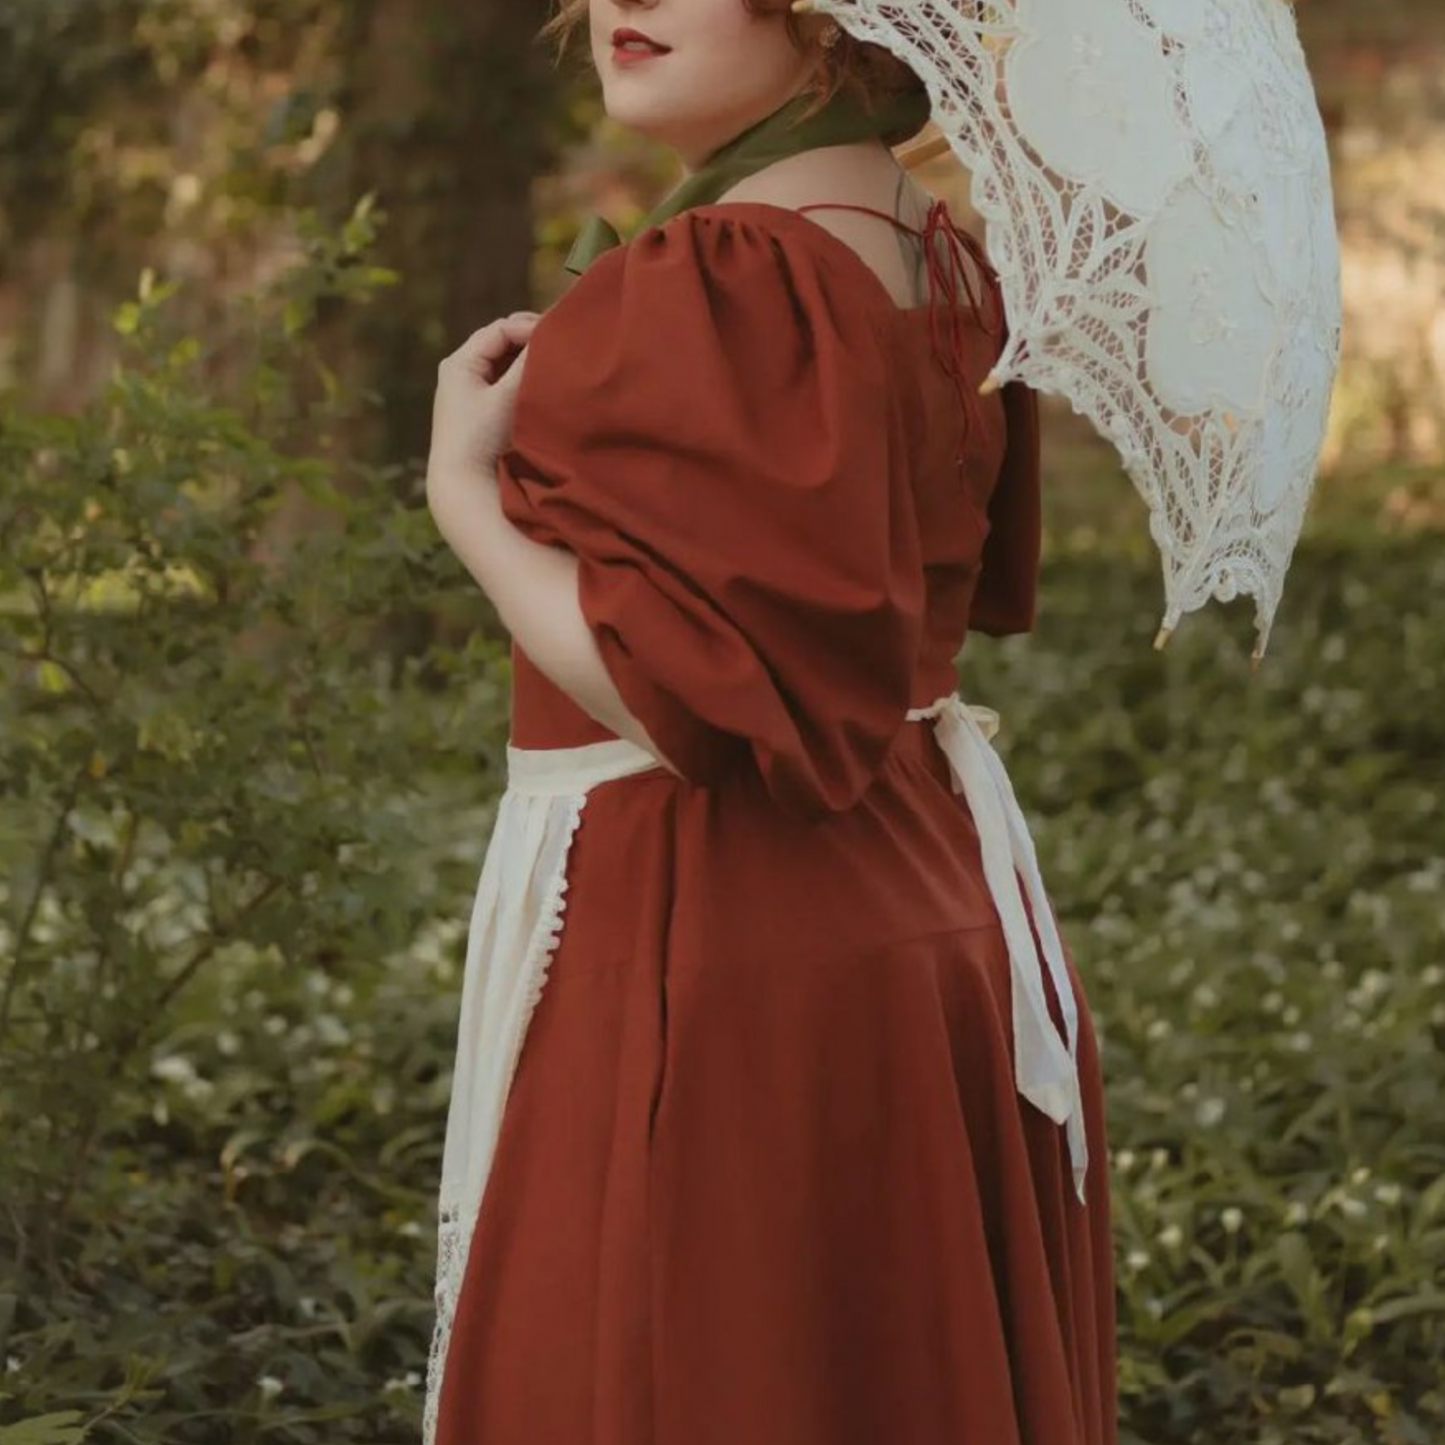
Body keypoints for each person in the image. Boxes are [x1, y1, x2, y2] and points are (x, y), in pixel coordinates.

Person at [421, 1, 1118, 1443]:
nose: (624, 2)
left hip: (723, 927)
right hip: (923, 892)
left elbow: (692, 707)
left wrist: (462, 501)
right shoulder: (941, 255)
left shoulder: (734, 269)